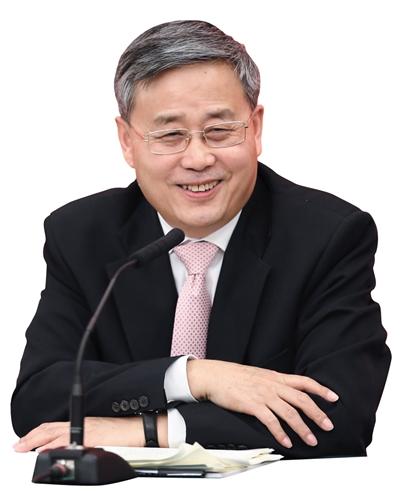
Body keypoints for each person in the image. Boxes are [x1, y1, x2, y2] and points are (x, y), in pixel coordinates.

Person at [11, 20, 391, 459]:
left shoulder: (328, 236)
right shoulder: (81, 235)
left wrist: (150, 430)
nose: (198, 158)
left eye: (220, 130)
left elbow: (340, 417)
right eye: (170, 135)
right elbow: (39, 400)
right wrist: (194, 377)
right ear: (127, 141)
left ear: (256, 128)